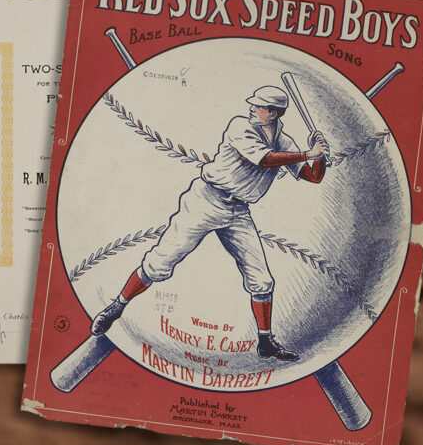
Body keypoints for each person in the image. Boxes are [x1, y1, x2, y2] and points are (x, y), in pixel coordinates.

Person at [90, 85, 329, 361]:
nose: (251, 107)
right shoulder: (241, 126)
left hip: (238, 211)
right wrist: (309, 153)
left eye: (258, 106)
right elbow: (264, 160)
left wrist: (319, 155)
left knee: (262, 281)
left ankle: (265, 342)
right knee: (159, 264)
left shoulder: (285, 143)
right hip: (205, 200)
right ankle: (116, 307)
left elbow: (314, 177)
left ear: (273, 113)